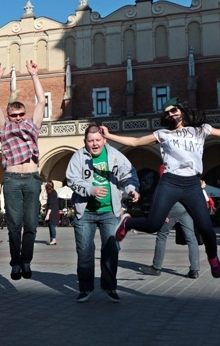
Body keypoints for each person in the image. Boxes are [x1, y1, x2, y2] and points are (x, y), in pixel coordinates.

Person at [104, 97, 220, 279]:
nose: (171, 114)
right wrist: (109, 136)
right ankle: (128, 223)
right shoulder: (163, 134)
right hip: (170, 181)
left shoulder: (201, 130)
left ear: (182, 110)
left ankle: (213, 258)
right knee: (154, 224)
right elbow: (134, 142)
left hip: (192, 184)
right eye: (167, 112)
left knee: (206, 228)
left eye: (174, 110)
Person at [67, 124, 140, 303]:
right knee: (85, 251)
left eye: (97, 140)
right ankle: (85, 288)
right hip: (85, 213)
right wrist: (90, 189)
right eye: (90, 141)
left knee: (111, 250)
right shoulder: (78, 157)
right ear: (85, 141)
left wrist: (132, 189)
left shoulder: (115, 155)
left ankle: (109, 287)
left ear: (104, 140)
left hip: (110, 211)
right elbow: (71, 179)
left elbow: (129, 174)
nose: (94, 144)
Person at [0, 61, 46, 280]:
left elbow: (41, 101)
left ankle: (26, 261)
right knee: (14, 225)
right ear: (9, 116)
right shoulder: (5, 128)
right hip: (12, 179)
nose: (18, 118)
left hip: (32, 178)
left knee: (31, 225)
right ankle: (15, 263)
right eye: (14, 115)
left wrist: (34, 75)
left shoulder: (33, 125)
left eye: (21, 114)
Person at [139, 166, 200, 279]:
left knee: (162, 235)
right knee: (191, 238)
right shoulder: (186, 168)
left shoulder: (165, 167)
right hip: (186, 206)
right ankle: (194, 270)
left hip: (173, 205)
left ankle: (156, 267)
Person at [44, 181, 60, 245]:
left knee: (52, 225)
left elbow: (50, 205)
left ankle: (53, 239)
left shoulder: (51, 193)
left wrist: (47, 215)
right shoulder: (54, 192)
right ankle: (52, 238)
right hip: (55, 210)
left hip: (52, 212)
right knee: (51, 225)